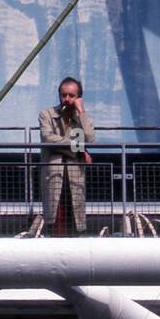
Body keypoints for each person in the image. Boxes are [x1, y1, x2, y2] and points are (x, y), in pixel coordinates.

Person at [38, 77, 96, 236]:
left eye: (72, 96)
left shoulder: (82, 119)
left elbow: (89, 139)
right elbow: (48, 138)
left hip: (75, 176)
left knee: (76, 220)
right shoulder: (47, 114)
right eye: (64, 95)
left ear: (79, 98)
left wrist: (81, 113)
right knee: (55, 219)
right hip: (54, 174)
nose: (67, 99)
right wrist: (78, 150)